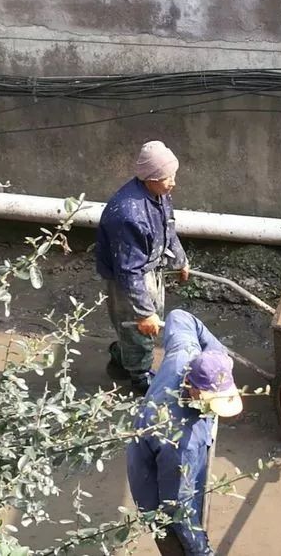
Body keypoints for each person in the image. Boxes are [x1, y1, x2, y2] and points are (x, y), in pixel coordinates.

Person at [127, 309, 243, 556]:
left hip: (154, 445)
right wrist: (202, 551)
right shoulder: (182, 440)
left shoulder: (184, 355)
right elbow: (176, 507)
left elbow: (180, 317)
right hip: (157, 489)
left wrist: (214, 354)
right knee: (173, 531)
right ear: (193, 389)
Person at [96, 141, 190, 393]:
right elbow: (128, 273)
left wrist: (180, 260)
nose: (173, 183)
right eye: (167, 178)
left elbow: (168, 227)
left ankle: (122, 355)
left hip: (148, 269)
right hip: (127, 279)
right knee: (141, 327)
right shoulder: (129, 216)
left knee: (150, 322)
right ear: (149, 178)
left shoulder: (159, 193)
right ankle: (139, 378)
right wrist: (143, 312)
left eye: (173, 176)